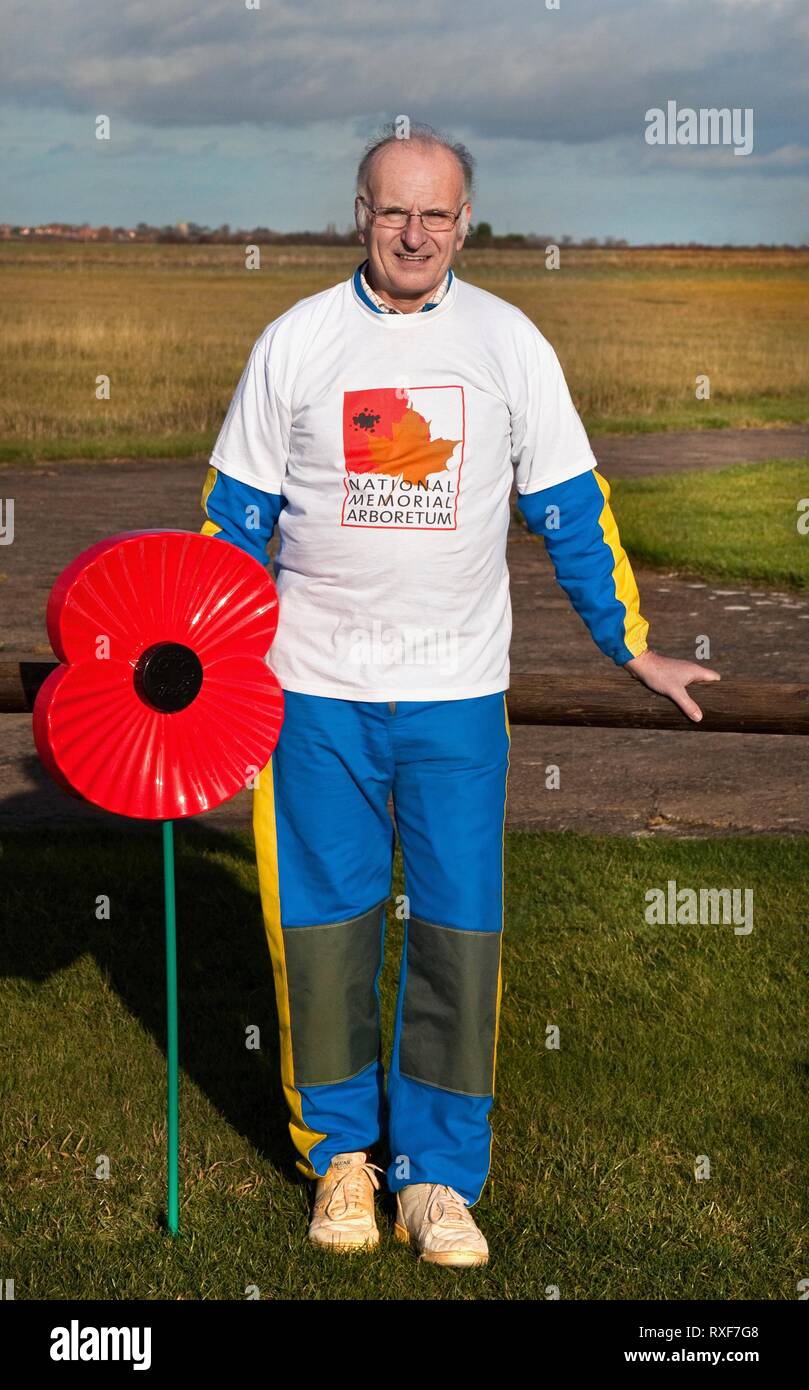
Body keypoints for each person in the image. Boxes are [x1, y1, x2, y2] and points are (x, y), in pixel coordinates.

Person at [198, 121, 720, 1268]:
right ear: (360, 213)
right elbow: (231, 531)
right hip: (313, 697)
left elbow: (571, 510)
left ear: (466, 223)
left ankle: (435, 1177)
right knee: (322, 933)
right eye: (394, 211)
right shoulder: (295, 341)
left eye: (436, 214)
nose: (415, 233)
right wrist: (208, 679)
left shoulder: (508, 341)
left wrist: (632, 648)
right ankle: (340, 1159)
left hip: (454, 699)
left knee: (455, 935)